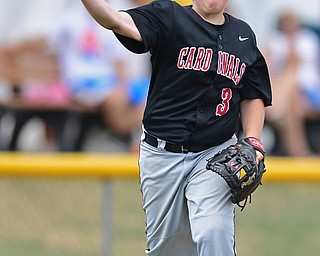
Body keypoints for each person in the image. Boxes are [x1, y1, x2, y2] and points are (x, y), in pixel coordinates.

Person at [81, 0, 272, 255]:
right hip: (162, 155)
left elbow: (252, 92)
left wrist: (253, 140)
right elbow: (112, 19)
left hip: (214, 153)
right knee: (169, 249)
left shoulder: (243, 35)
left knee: (213, 230)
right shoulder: (169, 16)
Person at [264, 11, 320, 156]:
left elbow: (297, 64)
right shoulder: (276, 41)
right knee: (293, 105)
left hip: (307, 89)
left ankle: (300, 151)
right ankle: (301, 152)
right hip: (287, 90)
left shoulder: (307, 40)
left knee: (291, 82)